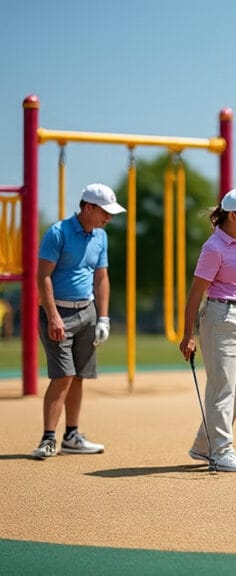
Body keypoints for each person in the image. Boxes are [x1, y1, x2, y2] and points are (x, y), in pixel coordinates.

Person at [178, 188, 236, 472]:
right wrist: (187, 334)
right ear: (233, 215)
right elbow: (196, 293)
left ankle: (204, 445)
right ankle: (221, 451)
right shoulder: (213, 248)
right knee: (222, 388)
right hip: (221, 317)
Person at [31, 183, 125, 460]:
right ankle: (48, 439)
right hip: (58, 313)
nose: (108, 217)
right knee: (63, 376)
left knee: (79, 376)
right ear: (88, 207)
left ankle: (71, 435)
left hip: (88, 312)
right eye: (104, 212)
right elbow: (43, 277)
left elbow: (101, 277)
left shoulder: (101, 236)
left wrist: (104, 318)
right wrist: (53, 316)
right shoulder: (57, 233)